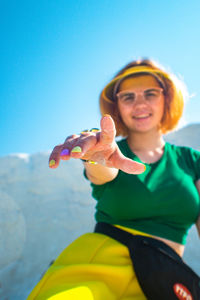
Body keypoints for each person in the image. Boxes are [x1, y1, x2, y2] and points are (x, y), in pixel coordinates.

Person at [27, 59, 200, 300]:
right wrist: (96, 159)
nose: (139, 103)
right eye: (128, 96)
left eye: (150, 93)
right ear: (117, 106)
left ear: (167, 99)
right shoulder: (108, 150)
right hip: (96, 269)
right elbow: (101, 172)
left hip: (165, 282)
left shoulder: (193, 161)